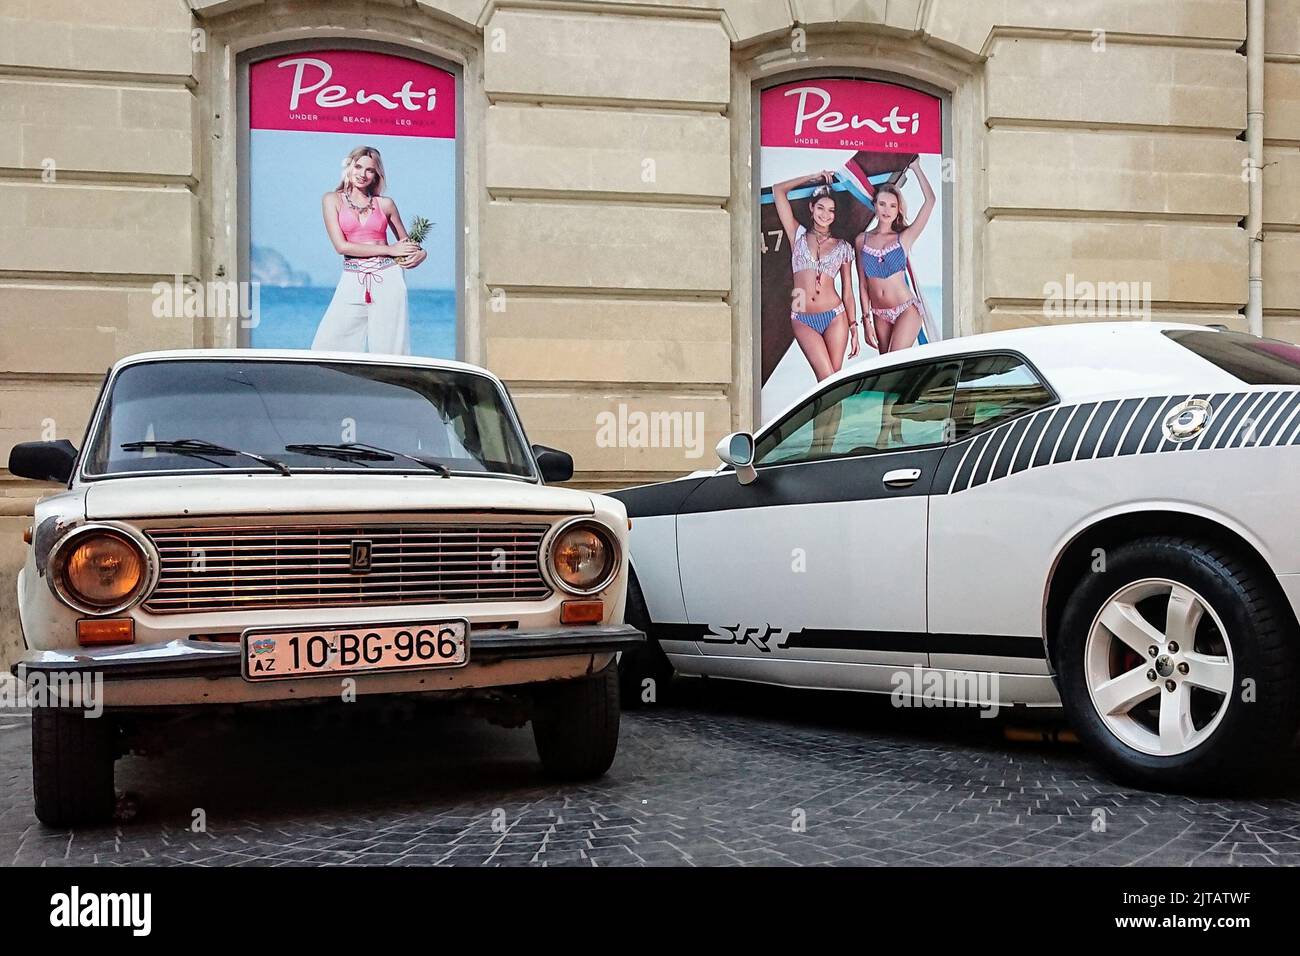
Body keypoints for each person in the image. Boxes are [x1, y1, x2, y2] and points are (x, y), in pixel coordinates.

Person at [312, 146, 427, 354]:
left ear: (376, 175)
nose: (362, 174)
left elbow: (406, 244)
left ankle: (392, 386)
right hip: (353, 276)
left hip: (388, 277)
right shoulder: (332, 200)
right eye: (358, 166)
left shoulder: (385, 204)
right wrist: (390, 249)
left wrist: (421, 253)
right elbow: (341, 246)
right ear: (349, 167)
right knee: (326, 345)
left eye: (370, 170)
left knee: (389, 349)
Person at [771, 171, 858, 384]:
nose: (825, 214)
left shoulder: (843, 247)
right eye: (820, 208)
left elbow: (848, 291)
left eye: (831, 210)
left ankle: (830, 419)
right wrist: (812, 178)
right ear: (812, 208)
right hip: (802, 318)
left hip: (836, 317)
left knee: (831, 384)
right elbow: (778, 190)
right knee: (827, 379)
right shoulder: (797, 235)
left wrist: (854, 328)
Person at [853, 157, 936, 355]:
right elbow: (863, 284)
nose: (887, 210)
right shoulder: (861, 240)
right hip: (879, 313)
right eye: (882, 204)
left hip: (906, 309)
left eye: (892, 205)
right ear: (875, 205)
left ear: (898, 208)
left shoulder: (904, 238)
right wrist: (866, 321)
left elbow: (930, 201)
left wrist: (916, 167)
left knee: (893, 361)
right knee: (885, 367)